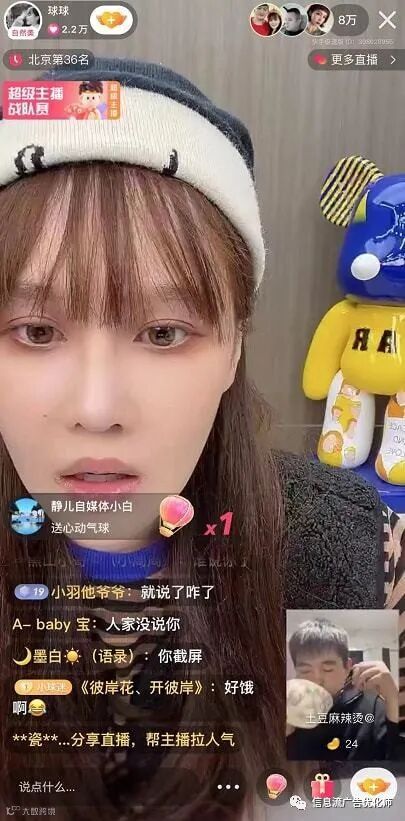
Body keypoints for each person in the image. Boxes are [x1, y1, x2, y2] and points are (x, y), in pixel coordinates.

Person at [0, 56, 403, 821]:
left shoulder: (350, 546)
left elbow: (357, 790)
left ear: (233, 346)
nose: (97, 409)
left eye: (163, 331)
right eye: (36, 330)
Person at [287, 619, 399, 760]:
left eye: (328, 669)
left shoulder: (373, 707)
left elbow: (395, 762)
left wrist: (394, 700)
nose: (316, 679)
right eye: (305, 670)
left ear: (347, 667)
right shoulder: (290, 710)